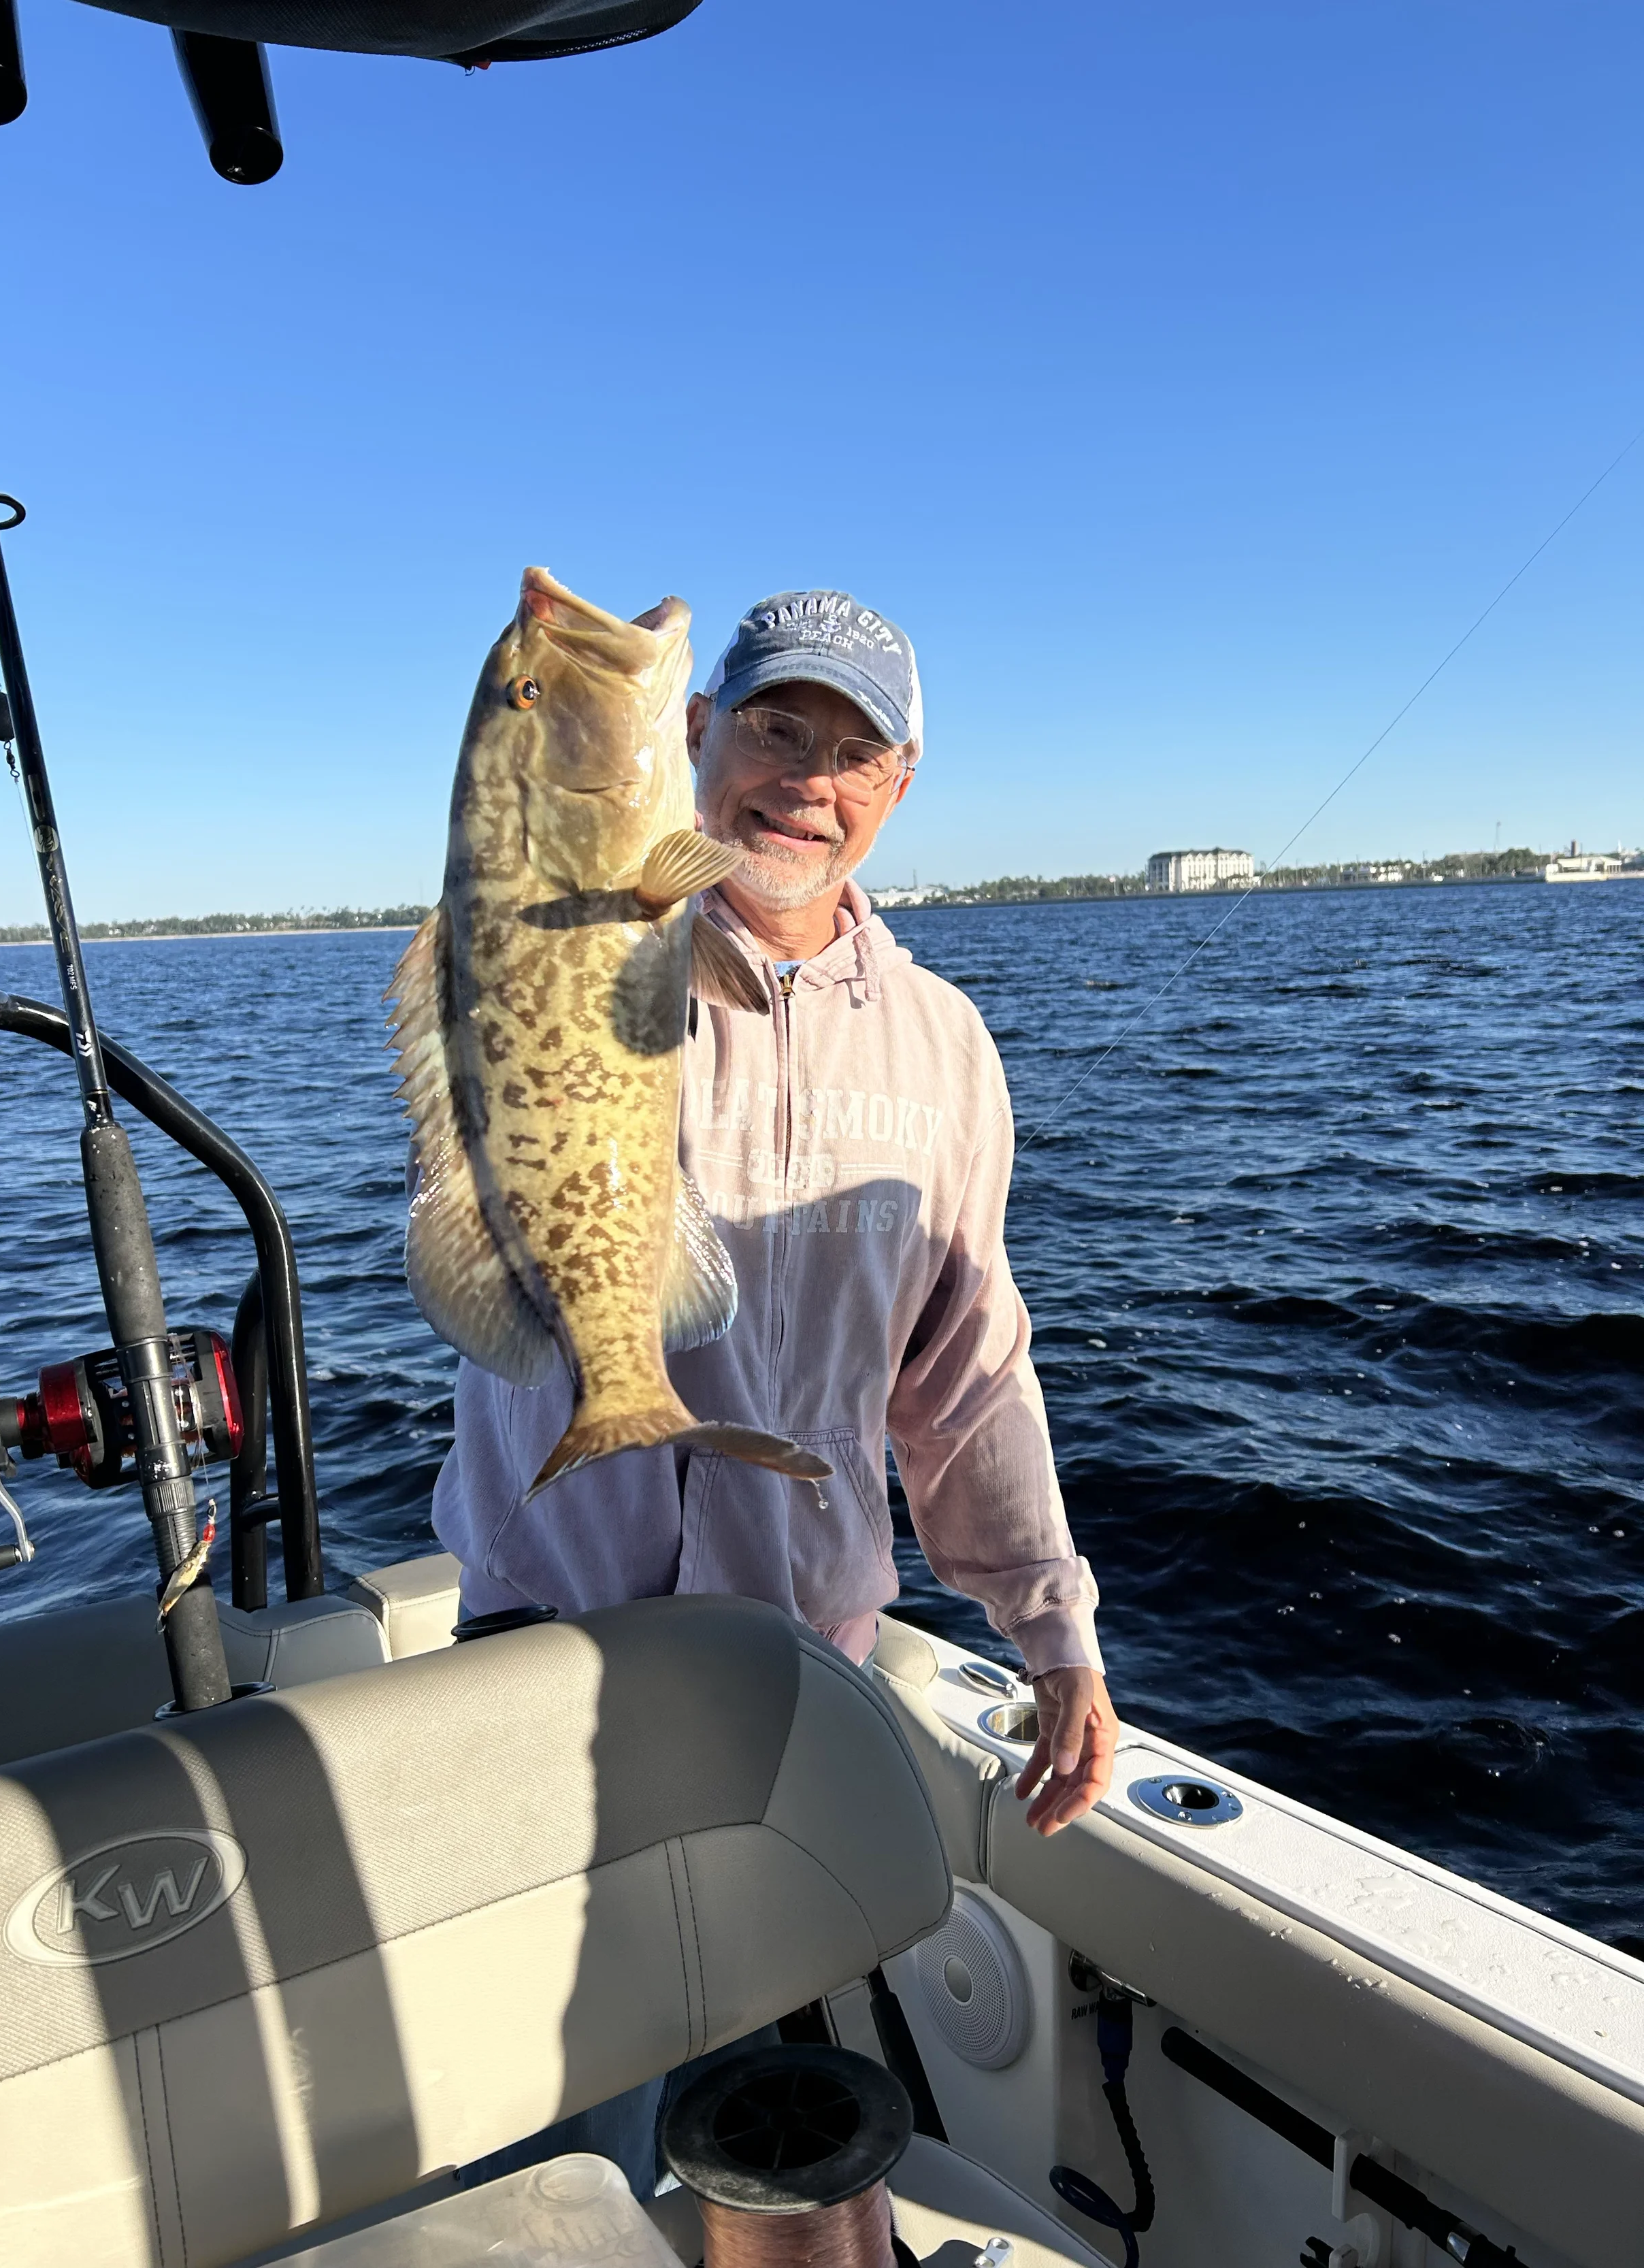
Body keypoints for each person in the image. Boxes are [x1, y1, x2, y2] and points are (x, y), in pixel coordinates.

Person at [432, 587, 1118, 2188]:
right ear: (692, 739)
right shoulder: (588, 937)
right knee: (548, 2110)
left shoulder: (947, 1050)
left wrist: (1053, 1626)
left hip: (804, 1664)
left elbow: (966, 1374)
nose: (806, 779)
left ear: (896, 787)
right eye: (772, 728)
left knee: (746, 2084)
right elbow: (495, 1061)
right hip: (551, 1640)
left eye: (850, 749)